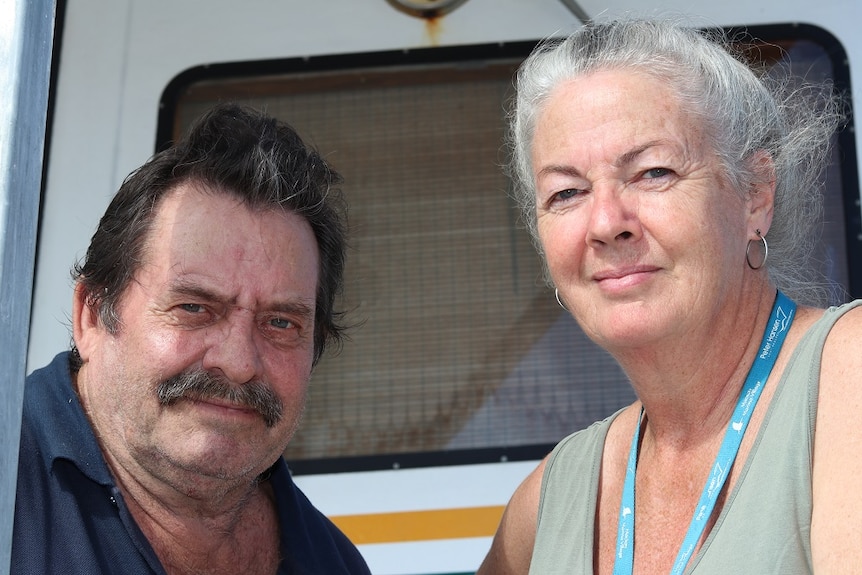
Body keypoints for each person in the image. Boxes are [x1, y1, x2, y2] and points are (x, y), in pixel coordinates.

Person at [477, 18, 861, 574]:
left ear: (755, 195)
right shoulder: (549, 501)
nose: (607, 223)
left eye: (653, 172)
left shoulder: (845, 375)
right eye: (566, 193)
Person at [13, 103, 370, 574]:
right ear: (94, 317)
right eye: (195, 308)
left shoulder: (332, 562)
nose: (239, 362)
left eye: (280, 323)